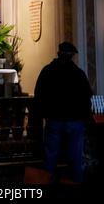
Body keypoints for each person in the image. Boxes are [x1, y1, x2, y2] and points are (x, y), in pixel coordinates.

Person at [34, 41, 92, 183]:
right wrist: (84, 118)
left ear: (58, 54)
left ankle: (48, 186)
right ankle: (76, 184)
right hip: (75, 121)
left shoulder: (47, 71)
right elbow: (87, 96)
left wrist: (44, 115)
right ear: (72, 56)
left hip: (54, 119)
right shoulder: (78, 74)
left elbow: (39, 95)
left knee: (51, 158)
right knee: (76, 159)